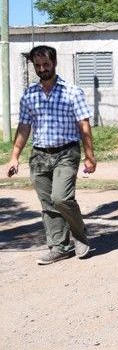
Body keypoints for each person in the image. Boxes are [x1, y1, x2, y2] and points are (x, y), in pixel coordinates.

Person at [6, 45, 96, 265]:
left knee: (61, 198)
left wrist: (90, 155)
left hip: (66, 152)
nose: (42, 69)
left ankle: (79, 235)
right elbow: (24, 127)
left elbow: (83, 124)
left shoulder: (72, 91)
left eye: (46, 64)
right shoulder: (29, 94)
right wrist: (14, 156)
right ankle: (60, 247)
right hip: (39, 155)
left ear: (54, 63)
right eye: (38, 65)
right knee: (48, 203)